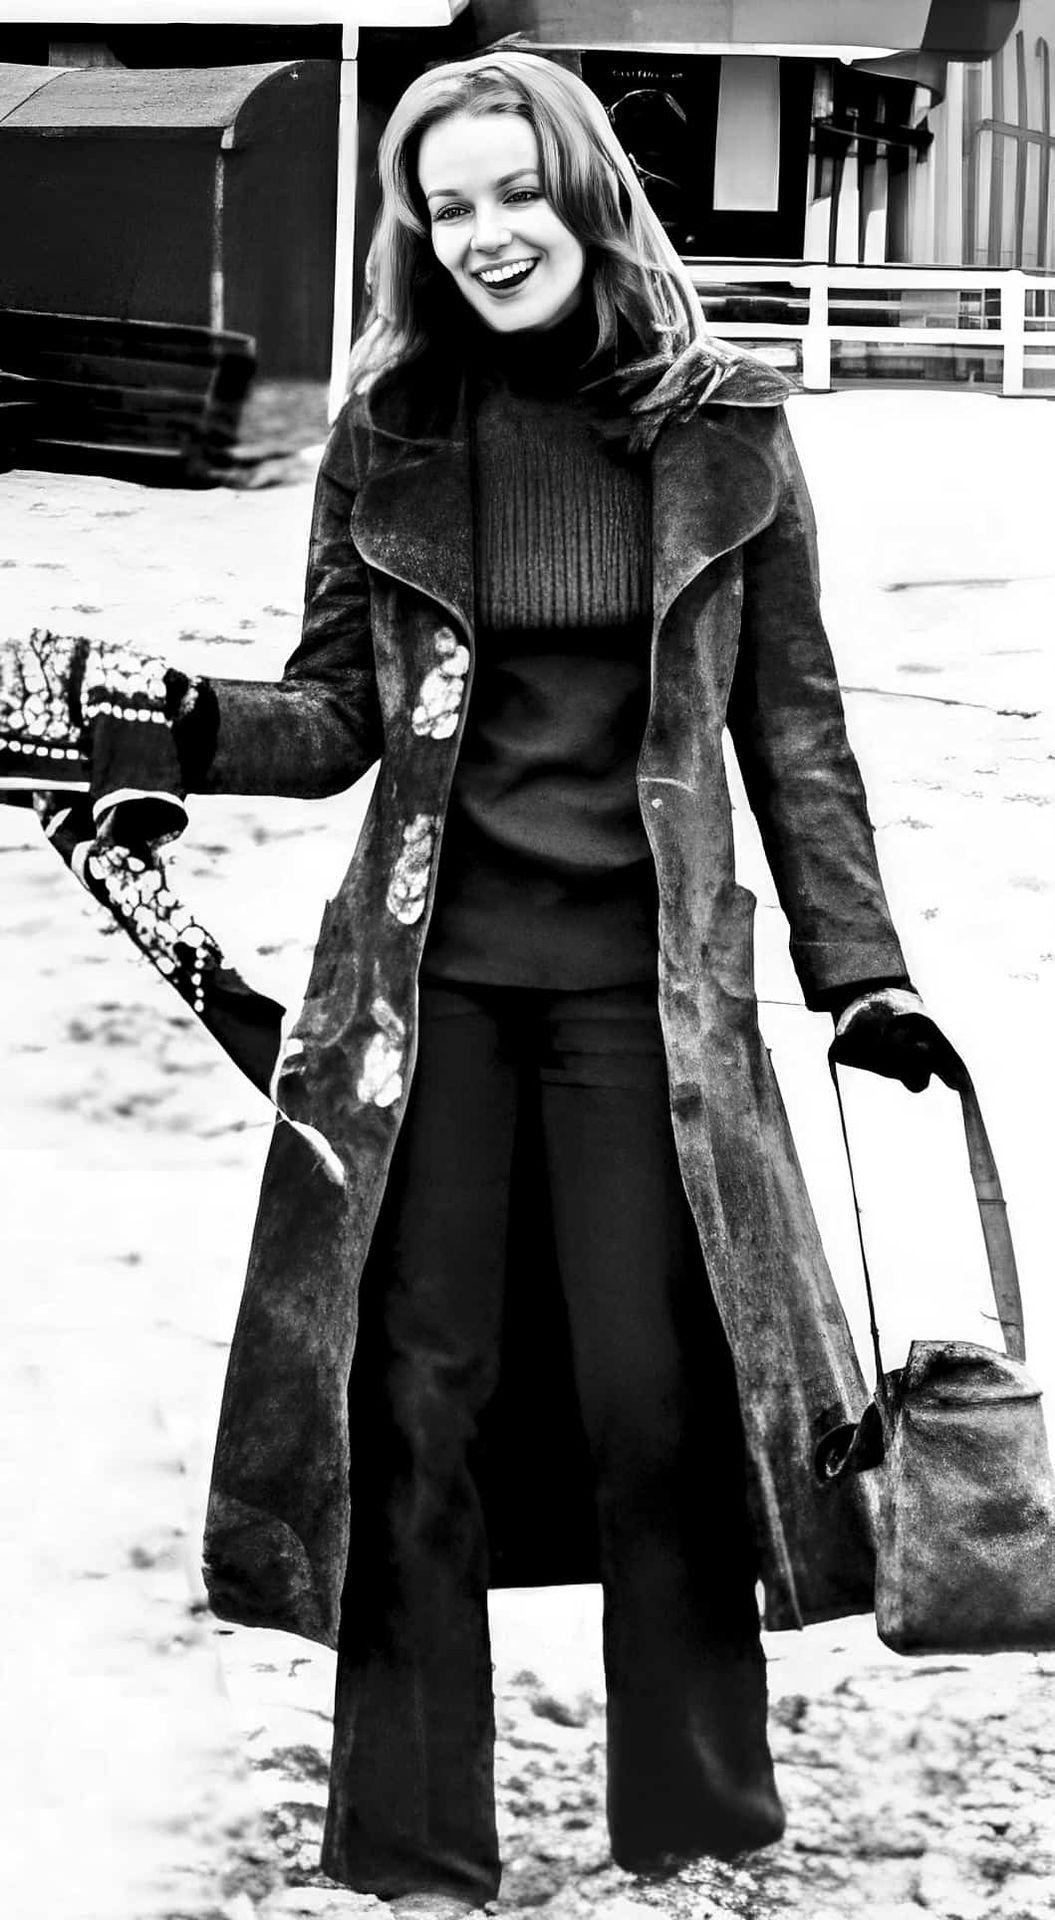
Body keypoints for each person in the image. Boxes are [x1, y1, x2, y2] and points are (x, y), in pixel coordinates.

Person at [52, 47, 963, 1918]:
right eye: (447, 206)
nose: (484, 235)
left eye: (514, 192)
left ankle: (698, 1832)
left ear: (586, 195)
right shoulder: (388, 430)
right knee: (415, 1399)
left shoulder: (725, 428)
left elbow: (796, 734)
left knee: (659, 1401)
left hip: (650, 996)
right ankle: (408, 1858)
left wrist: (861, 974)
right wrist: (163, 729)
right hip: (424, 996)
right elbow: (334, 718)